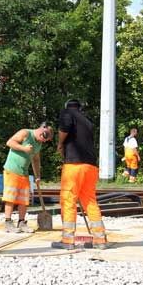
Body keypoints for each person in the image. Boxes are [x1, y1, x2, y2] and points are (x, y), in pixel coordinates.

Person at [52, 99, 108, 250]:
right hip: (90, 166)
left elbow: (65, 127)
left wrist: (60, 144)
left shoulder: (67, 113)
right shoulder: (87, 121)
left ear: (68, 106)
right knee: (90, 201)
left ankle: (67, 240)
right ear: (80, 108)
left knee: (68, 200)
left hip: (74, 166)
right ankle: (100, 240)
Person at [2, 123, 53, 233]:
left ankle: (21, 223)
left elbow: (35, 160)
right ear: (41, 132)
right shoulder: (25, 133)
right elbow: (9, 142)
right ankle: (8, 222)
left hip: (23, 173)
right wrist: (23, 148)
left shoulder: (38, 144)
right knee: (10, 198)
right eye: (45, 139)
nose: (44, 142)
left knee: (24, 200)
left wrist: (37, 176)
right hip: (12, 170)